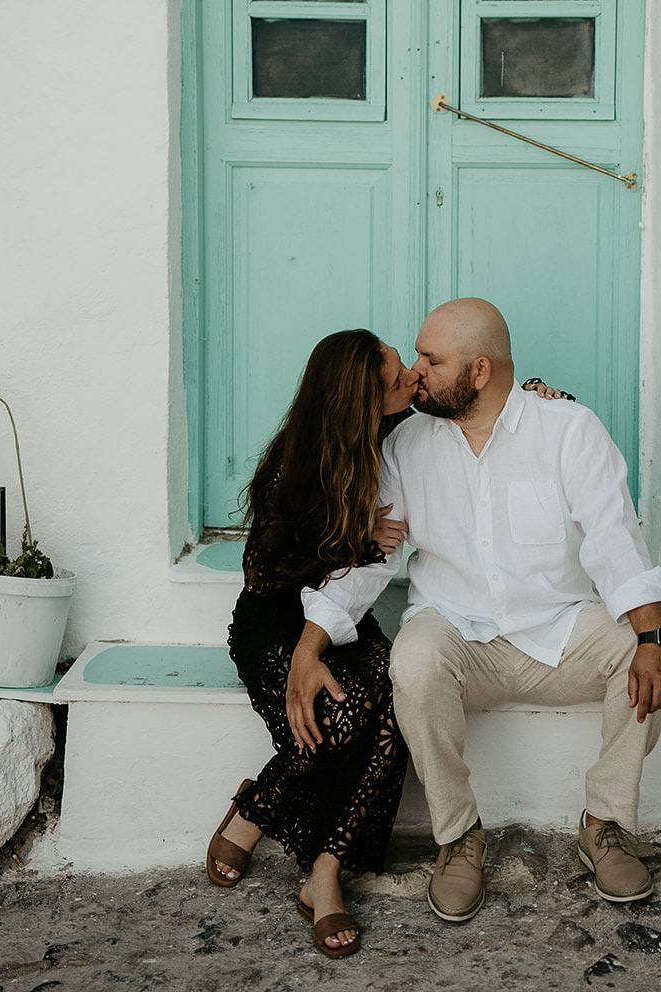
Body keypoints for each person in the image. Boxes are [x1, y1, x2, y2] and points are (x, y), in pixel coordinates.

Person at [290, 298, 661, 924]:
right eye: (416, 356)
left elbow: (614, 539)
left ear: (478, 371)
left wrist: (655, 635)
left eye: (431, 360)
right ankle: (459, 837)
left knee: (643, 652)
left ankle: (604, 824)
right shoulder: (406, 446)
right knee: (413, 659)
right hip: (458, 637)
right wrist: (308, 648)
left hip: (556, 632)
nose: (416, 372)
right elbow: (371, 563)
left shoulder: (569, 430)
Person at [205, 328, 415, 959]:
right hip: (275, 623)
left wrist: (540, 392)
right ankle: (259, 806)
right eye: (396, 379)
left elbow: (482, 400)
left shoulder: (403, 426)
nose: (411, 378)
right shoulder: (293, 467)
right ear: (361, 404)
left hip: (343, 614)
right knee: (340, 717)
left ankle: (325, 870)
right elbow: (264, 575)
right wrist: (353, 535)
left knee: (393, 697)